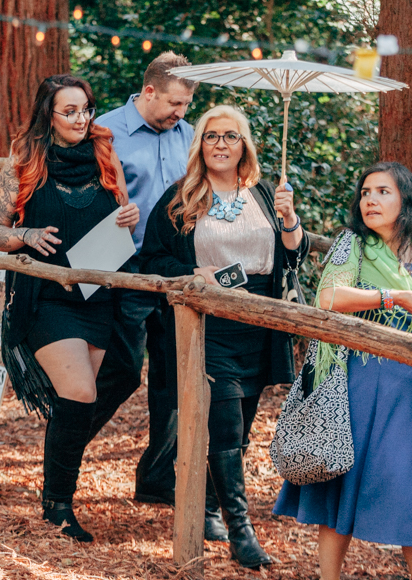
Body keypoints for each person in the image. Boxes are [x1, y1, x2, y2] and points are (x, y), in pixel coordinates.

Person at [273, 162, 412, 580]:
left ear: (406, 201)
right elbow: (327, 297)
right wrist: (389, 296)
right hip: (359, 386)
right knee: (340, 491)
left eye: (383, 192)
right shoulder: (352, 245)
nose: (371, 200)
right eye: (365, 193)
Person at [140, 104, 308, 569]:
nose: (220, 144)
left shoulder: (263, 194)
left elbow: (292, 258)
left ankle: (211, 508)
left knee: (238, 429)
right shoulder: (182, 197)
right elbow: (151, 258)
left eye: (230, 136)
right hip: (209, 324)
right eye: (211, 136)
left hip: (258, 323)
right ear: (200, 144)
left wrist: (290, 221)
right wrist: (194, 272)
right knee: (228, 424)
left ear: (244, 145)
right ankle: (241, 530)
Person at [0, 74, 139, 543]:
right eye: (68, 111)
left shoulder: (104, 153)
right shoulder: (24, 159)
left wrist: (127, 216)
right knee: (78, 393)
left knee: (78, 402)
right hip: (44, 296)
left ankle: (56, 484)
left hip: (96, 294)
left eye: (86, 109)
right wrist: (26, 236)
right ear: (47, 115)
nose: (80, 119)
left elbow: (122, 212)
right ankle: (58, 505)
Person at [91, 51, 196, 506]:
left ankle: (155, 478)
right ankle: (66, 443)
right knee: (122, 370)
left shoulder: (190, 136)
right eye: (174, 103)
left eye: (187, 105)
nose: (180, 113)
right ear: (148, 91)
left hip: (175, 271)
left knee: (174, 377)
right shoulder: (105, 132)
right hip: (124, 267)